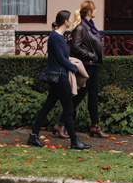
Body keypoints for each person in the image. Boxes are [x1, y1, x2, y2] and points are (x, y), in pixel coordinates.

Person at [28, 11, 91, 150]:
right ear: (65, 22)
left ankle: (33, 136)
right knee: (68, 109)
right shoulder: (56, 37)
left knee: (47, 107)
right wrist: (73, 68)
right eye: (69, 19)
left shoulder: (59, 36)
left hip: (58, 76)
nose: (70, 21)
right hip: (59, 77)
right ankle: (74, 141)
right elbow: (61, 59)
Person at [54, 0, 108, 139]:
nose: (96, 11)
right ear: (89, 12)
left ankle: (95, 126)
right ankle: (61, 123)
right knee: (79, 96)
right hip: (86, 66)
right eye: (94, 9)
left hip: (94, 65)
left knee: (93, 97)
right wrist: (91, 55)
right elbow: (76, 47)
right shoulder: (80, 27)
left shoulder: (90, 26)